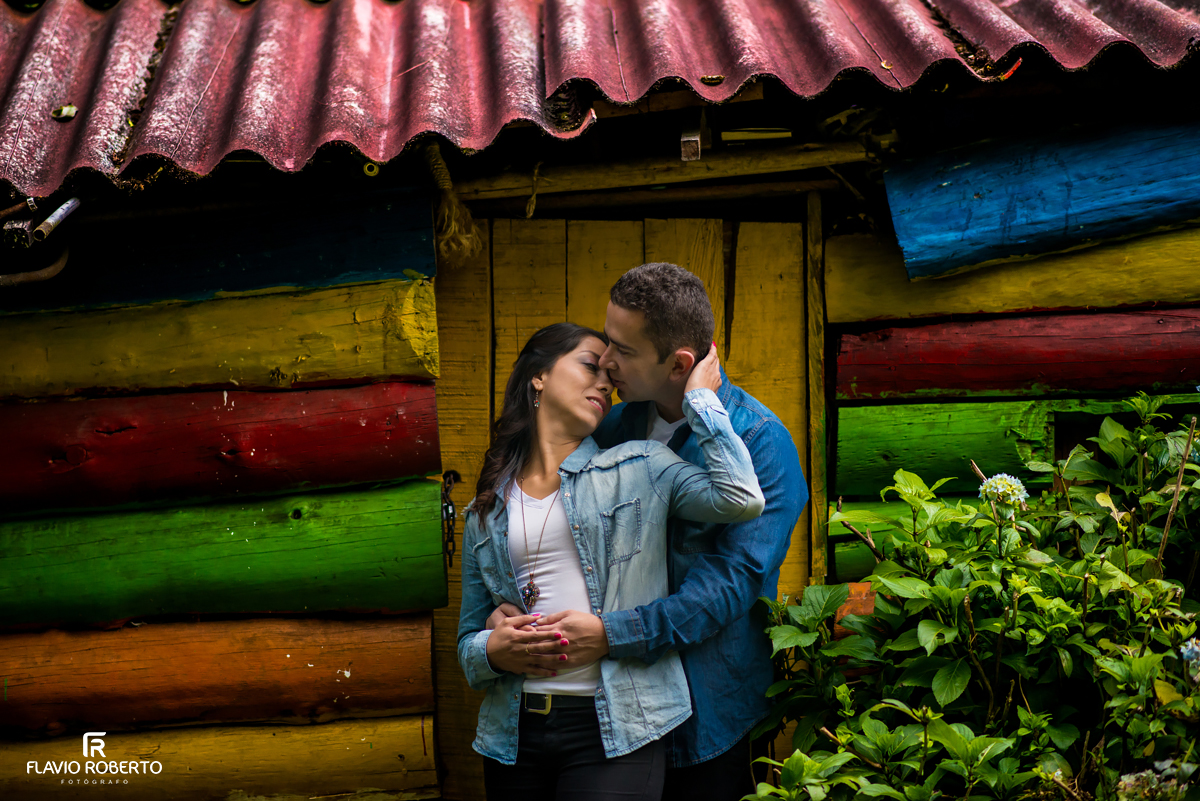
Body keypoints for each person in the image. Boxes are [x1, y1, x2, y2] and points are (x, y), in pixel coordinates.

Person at [500, 263, 808, 799]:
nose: (607, 361)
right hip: (614, 714)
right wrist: (512, 602)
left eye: (624, 350)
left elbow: (730, 587)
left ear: (679, 363)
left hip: (710, 715)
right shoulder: (615, 427)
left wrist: (613, 633)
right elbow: (552, 520)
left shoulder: (762, 443)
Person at [457, 321, 766, 801]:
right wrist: (492, 651)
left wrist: (701, 402)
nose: (604, 381)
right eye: (588, 365)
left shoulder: (640, 467)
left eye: (609, 373)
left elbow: (740, 498)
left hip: (618, 729)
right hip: (512, 734)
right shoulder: (486, 510)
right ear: (538, 376)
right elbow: (468, 643)